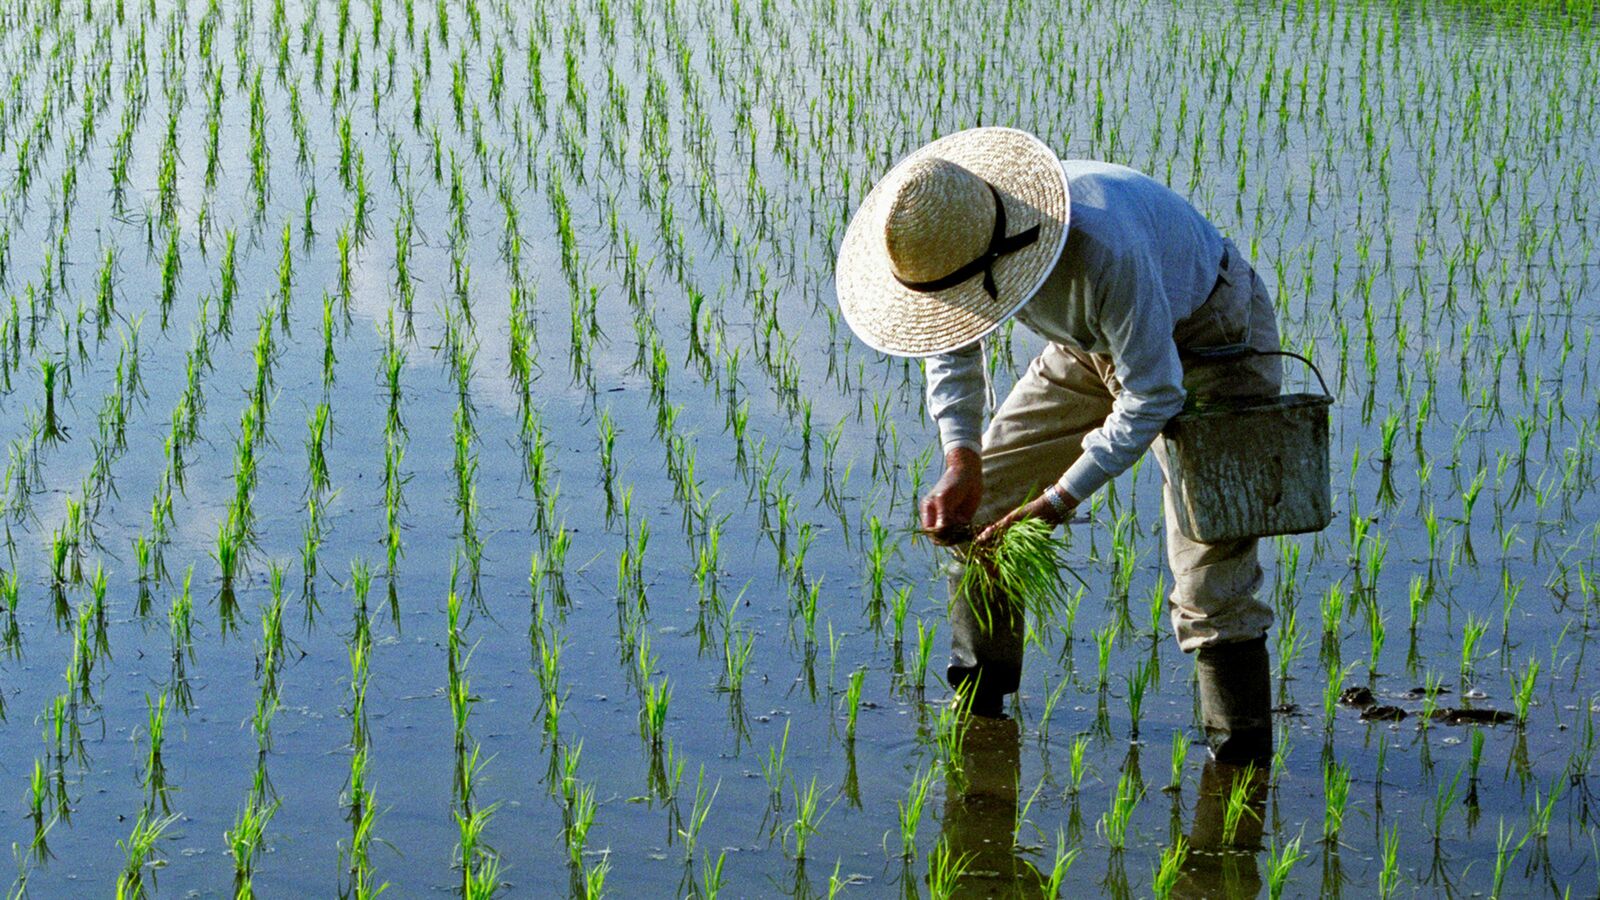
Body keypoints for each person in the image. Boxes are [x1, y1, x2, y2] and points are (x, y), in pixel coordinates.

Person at [834, 127, 1279, 764]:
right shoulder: (951, 244)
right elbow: (951, 339)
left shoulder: (1104, 247)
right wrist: (963, 459)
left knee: (1210, 578)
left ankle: (1240, 771)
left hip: (1213, 339)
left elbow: (1154, 393)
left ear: (999, 260)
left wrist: (1056, 502)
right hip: (1090, 344)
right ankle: (979, 712)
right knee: (982, 515)